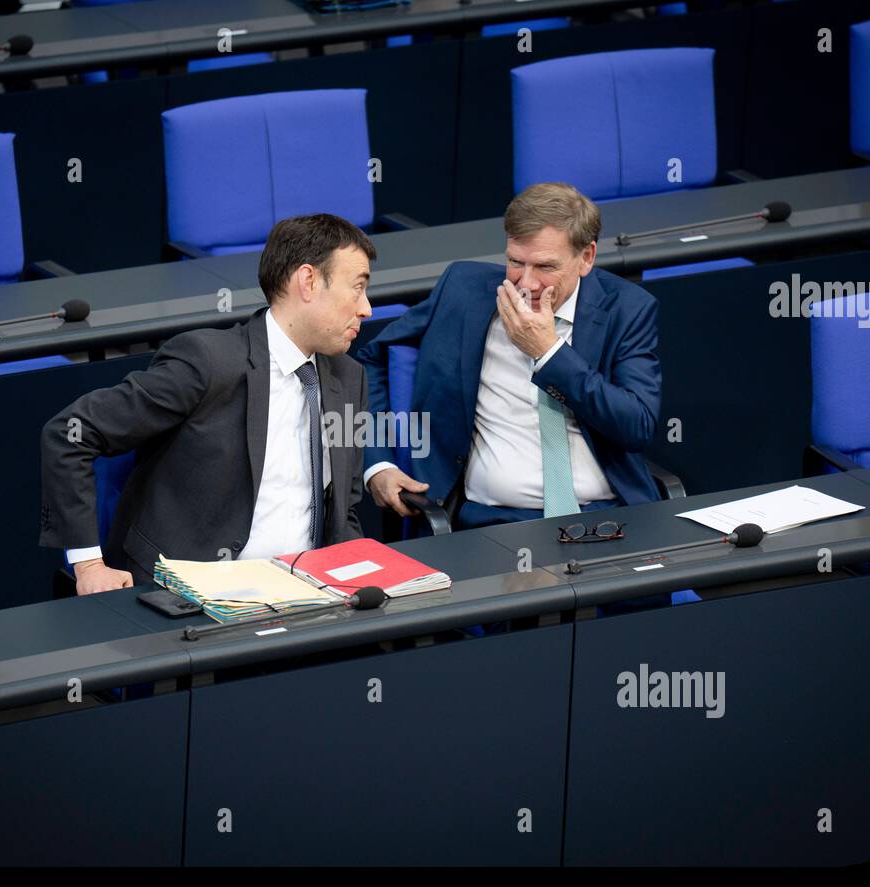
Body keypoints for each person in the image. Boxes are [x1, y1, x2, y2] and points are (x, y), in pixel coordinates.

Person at [40, 214, 374, 595]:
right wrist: (89, 567)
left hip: (305, 596)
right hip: (190, 597)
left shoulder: (348, 378)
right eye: (357, 288)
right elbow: (69, 435)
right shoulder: (207, 362)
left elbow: (343, 509)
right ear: (308, 281)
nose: (366, 308)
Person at [357, 182, 662, 529]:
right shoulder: (465, 290)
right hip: (489, 522)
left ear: (586, 258)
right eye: (516, 262)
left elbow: (636, 425)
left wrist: (549, 353)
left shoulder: (626, 309)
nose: (527, 283)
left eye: (546, 267)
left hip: (605, 518)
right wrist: (378, 463)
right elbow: (373, 359)